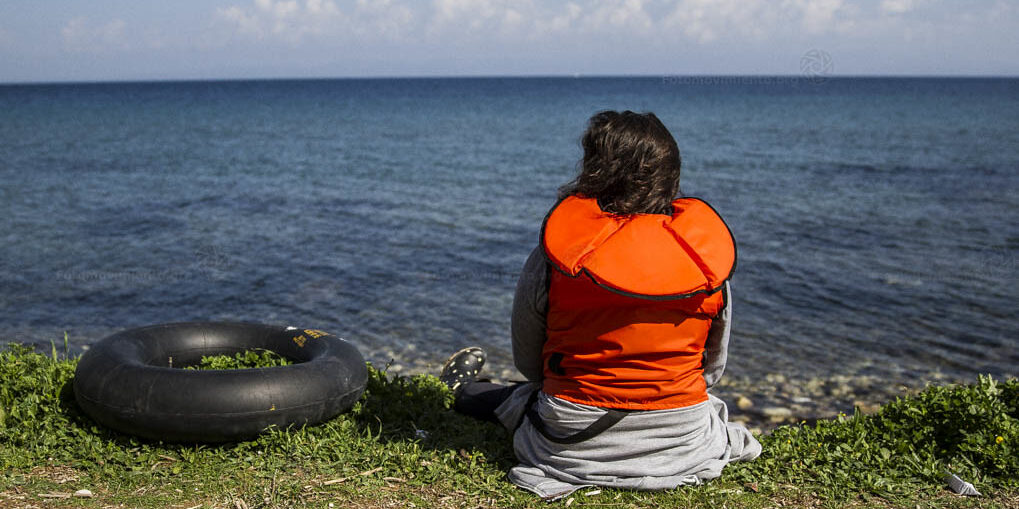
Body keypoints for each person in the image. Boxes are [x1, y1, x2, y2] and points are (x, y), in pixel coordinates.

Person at [439, 110, 761, 499]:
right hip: (681, 442)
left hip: (572, 445)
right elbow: (712, 370)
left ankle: (458, 390)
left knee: (518, 397)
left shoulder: (557, 258)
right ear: (671, 175)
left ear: (592, 171)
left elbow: (529, 363)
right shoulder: (706, 263)